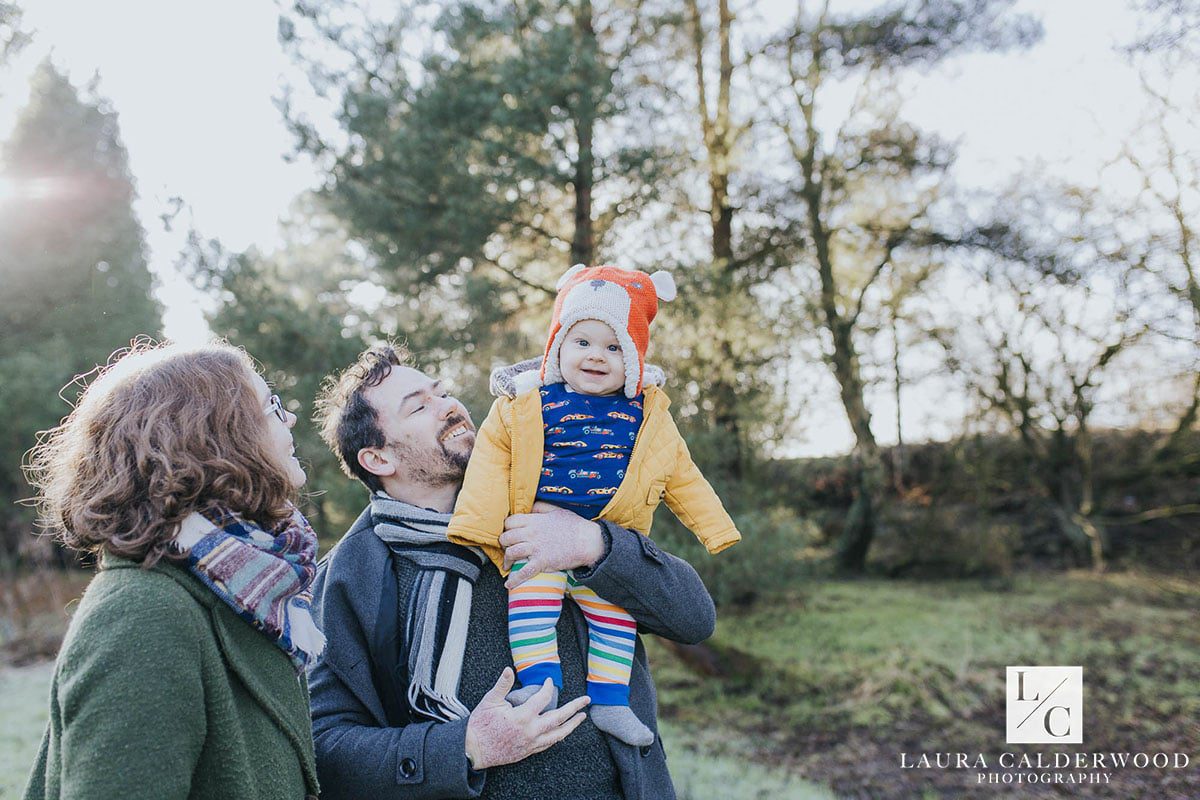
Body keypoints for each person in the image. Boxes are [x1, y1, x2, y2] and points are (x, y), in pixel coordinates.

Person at [308, 342, 716, 800]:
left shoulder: (548, 500)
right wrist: (463, 747)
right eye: (420, 406)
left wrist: (594, 544)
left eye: (441, 392)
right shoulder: (350, 577)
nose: (449, 407)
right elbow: (324, 746)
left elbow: (694, 619)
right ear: (379, 459)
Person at [446, 264, 741, 746]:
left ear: (633, 360)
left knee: (615, 621)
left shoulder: (646, 414)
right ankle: (539, 686)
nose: (596, 357)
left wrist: (716, 529)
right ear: (558, 347)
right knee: (529, 609)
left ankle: (610, 702)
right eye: (582, 343)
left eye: (613, 347)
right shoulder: (528, 403)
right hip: (535, 532)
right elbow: (489, 466)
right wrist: (477, 531)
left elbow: (683, 474)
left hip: (607, 539)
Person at [22, 340, 322, 800]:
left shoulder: (247, 591)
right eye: (272, 407)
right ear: (216, 436)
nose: (291, 419)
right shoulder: (142, 614)